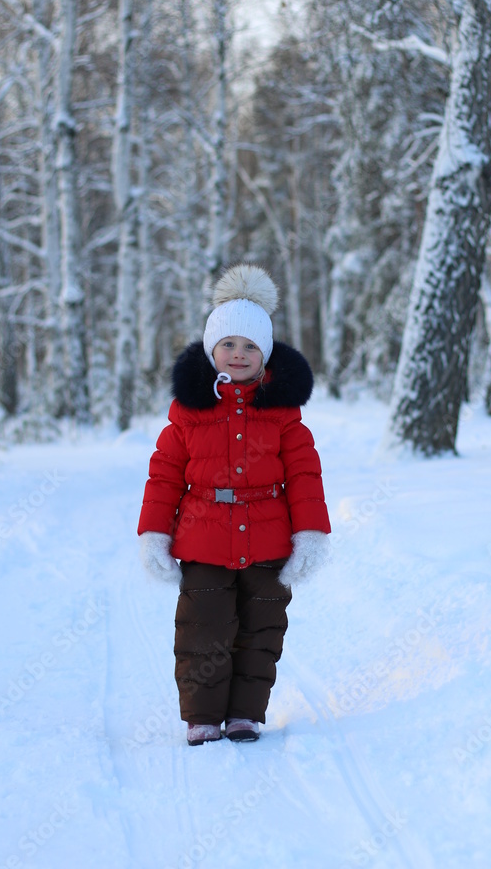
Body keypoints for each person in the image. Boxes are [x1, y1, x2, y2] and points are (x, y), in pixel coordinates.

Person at [138, 264, 331, 745]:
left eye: (250, 347)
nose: (239, 354)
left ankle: (246, 713)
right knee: (204, 628)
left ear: (265, 355)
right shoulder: (189, 413)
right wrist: (155, 535)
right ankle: (202, 716)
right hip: (203, 539)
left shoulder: (283, 415)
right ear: (211, 349)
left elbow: (305, 475)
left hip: (268, 537)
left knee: (262, 627)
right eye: (229, 344)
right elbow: (163, 476)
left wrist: (310, 534)